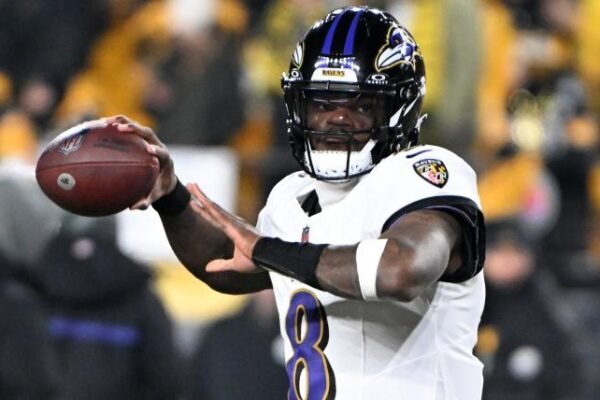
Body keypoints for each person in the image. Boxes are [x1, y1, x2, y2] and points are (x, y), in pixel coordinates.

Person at [105, 6, 486, 399]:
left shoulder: (425, 173)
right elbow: (225, 263)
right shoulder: (293, 196)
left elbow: (401, 269)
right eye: (322, 103)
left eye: (360, 105)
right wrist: (170, 197)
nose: (337, 119)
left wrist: (269, 250)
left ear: (399, 109)